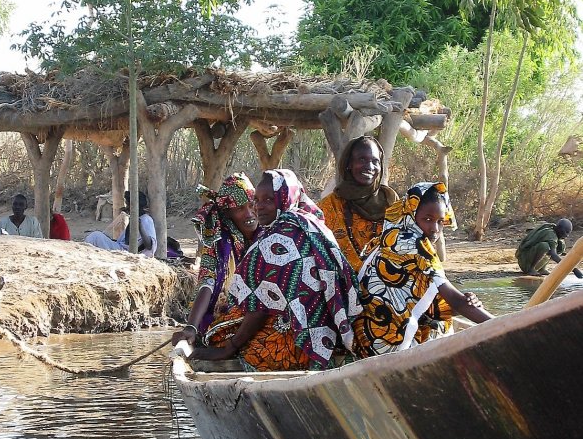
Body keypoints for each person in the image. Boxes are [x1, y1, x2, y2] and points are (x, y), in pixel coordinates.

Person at [197, 168, 360, 372]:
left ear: (286, 198)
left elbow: (259, 307)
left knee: (217, 336)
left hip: (299, 343)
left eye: (268, 200)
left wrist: (230, 348)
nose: (258, 208)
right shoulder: (313, 224)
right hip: (332, 333)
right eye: (256, 200)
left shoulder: (276, 239)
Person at [353, 182, 493, 357]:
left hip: (364, 341)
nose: (435, 229)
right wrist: (504, 327)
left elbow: (423, 301)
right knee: (440, 327)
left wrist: (464, 300)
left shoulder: (388, 237)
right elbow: (455, 302)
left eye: (440, 221)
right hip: (387, 347)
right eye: (427, 219)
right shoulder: (415, 244)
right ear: (411, 216)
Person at [171, 173, 259, 346]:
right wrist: (191, 327)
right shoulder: (219, 242)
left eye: (251, 205)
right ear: (228, 214)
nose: (249, 214)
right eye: (240, 209)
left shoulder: (271, 233)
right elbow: (207, 281)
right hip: (230, 316)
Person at [320, 135, 399, 273]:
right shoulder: (329, 206)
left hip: (387, 284)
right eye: (362, 159)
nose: (369, 167)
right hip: (342, 286)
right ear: (349, 164)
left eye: (375, 161)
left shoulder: (391, 202)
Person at [84, 190, 157, 257]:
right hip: (120, 248)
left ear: (135, 206)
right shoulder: (135, 218)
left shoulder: (146, 219)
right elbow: (123, 242)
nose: (127, 208)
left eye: (128, 205)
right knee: (97, 236)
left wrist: (140, 227)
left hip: (127, 253)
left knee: (95, 236)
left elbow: (150, 245)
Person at [515, 219, 583, 279]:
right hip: (524, 260)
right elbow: (554, 256)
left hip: (529, 257)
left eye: (568, 233)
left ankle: (541, 268)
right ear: (559, 228)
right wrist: (574, 270)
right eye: (566, 232)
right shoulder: (550, 234)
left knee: (560, 246)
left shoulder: (553, 229)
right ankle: (530, 269)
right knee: (545, 246)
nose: (567, 235)